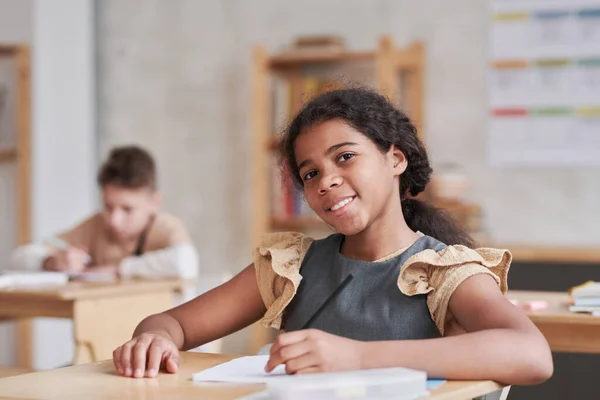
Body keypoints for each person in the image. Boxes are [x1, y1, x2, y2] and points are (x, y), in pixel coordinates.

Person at [112, 88, 552, 385]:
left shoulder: (441, 270)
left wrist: (358, 358)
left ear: (394, 160)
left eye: (345, 157)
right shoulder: (291, 266)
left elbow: (532, 355)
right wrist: (157, 338)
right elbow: (170, 323)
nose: (327, 181)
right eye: (311, 173)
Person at [8, 145, 198, 280]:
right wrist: (50, 262)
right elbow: (17, 258)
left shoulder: (165, 226)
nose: (114, 220)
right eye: (108, 206)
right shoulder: (95, 226)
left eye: (127, 209)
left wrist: (116, 269)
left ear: (155, 202)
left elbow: (185, 263)